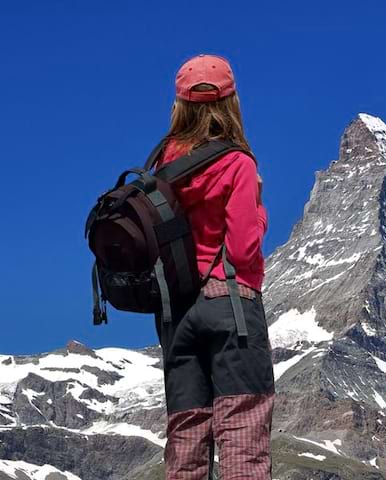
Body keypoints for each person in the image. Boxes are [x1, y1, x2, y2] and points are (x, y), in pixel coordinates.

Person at [152, 54, 275, 480]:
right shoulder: (238, 163)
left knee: (186, 437)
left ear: (179, 105)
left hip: (177, 313)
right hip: (230, 305)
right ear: (231, 102)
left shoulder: (162, 167)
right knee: (242, 431)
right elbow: (242, 250)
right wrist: (258, 208)